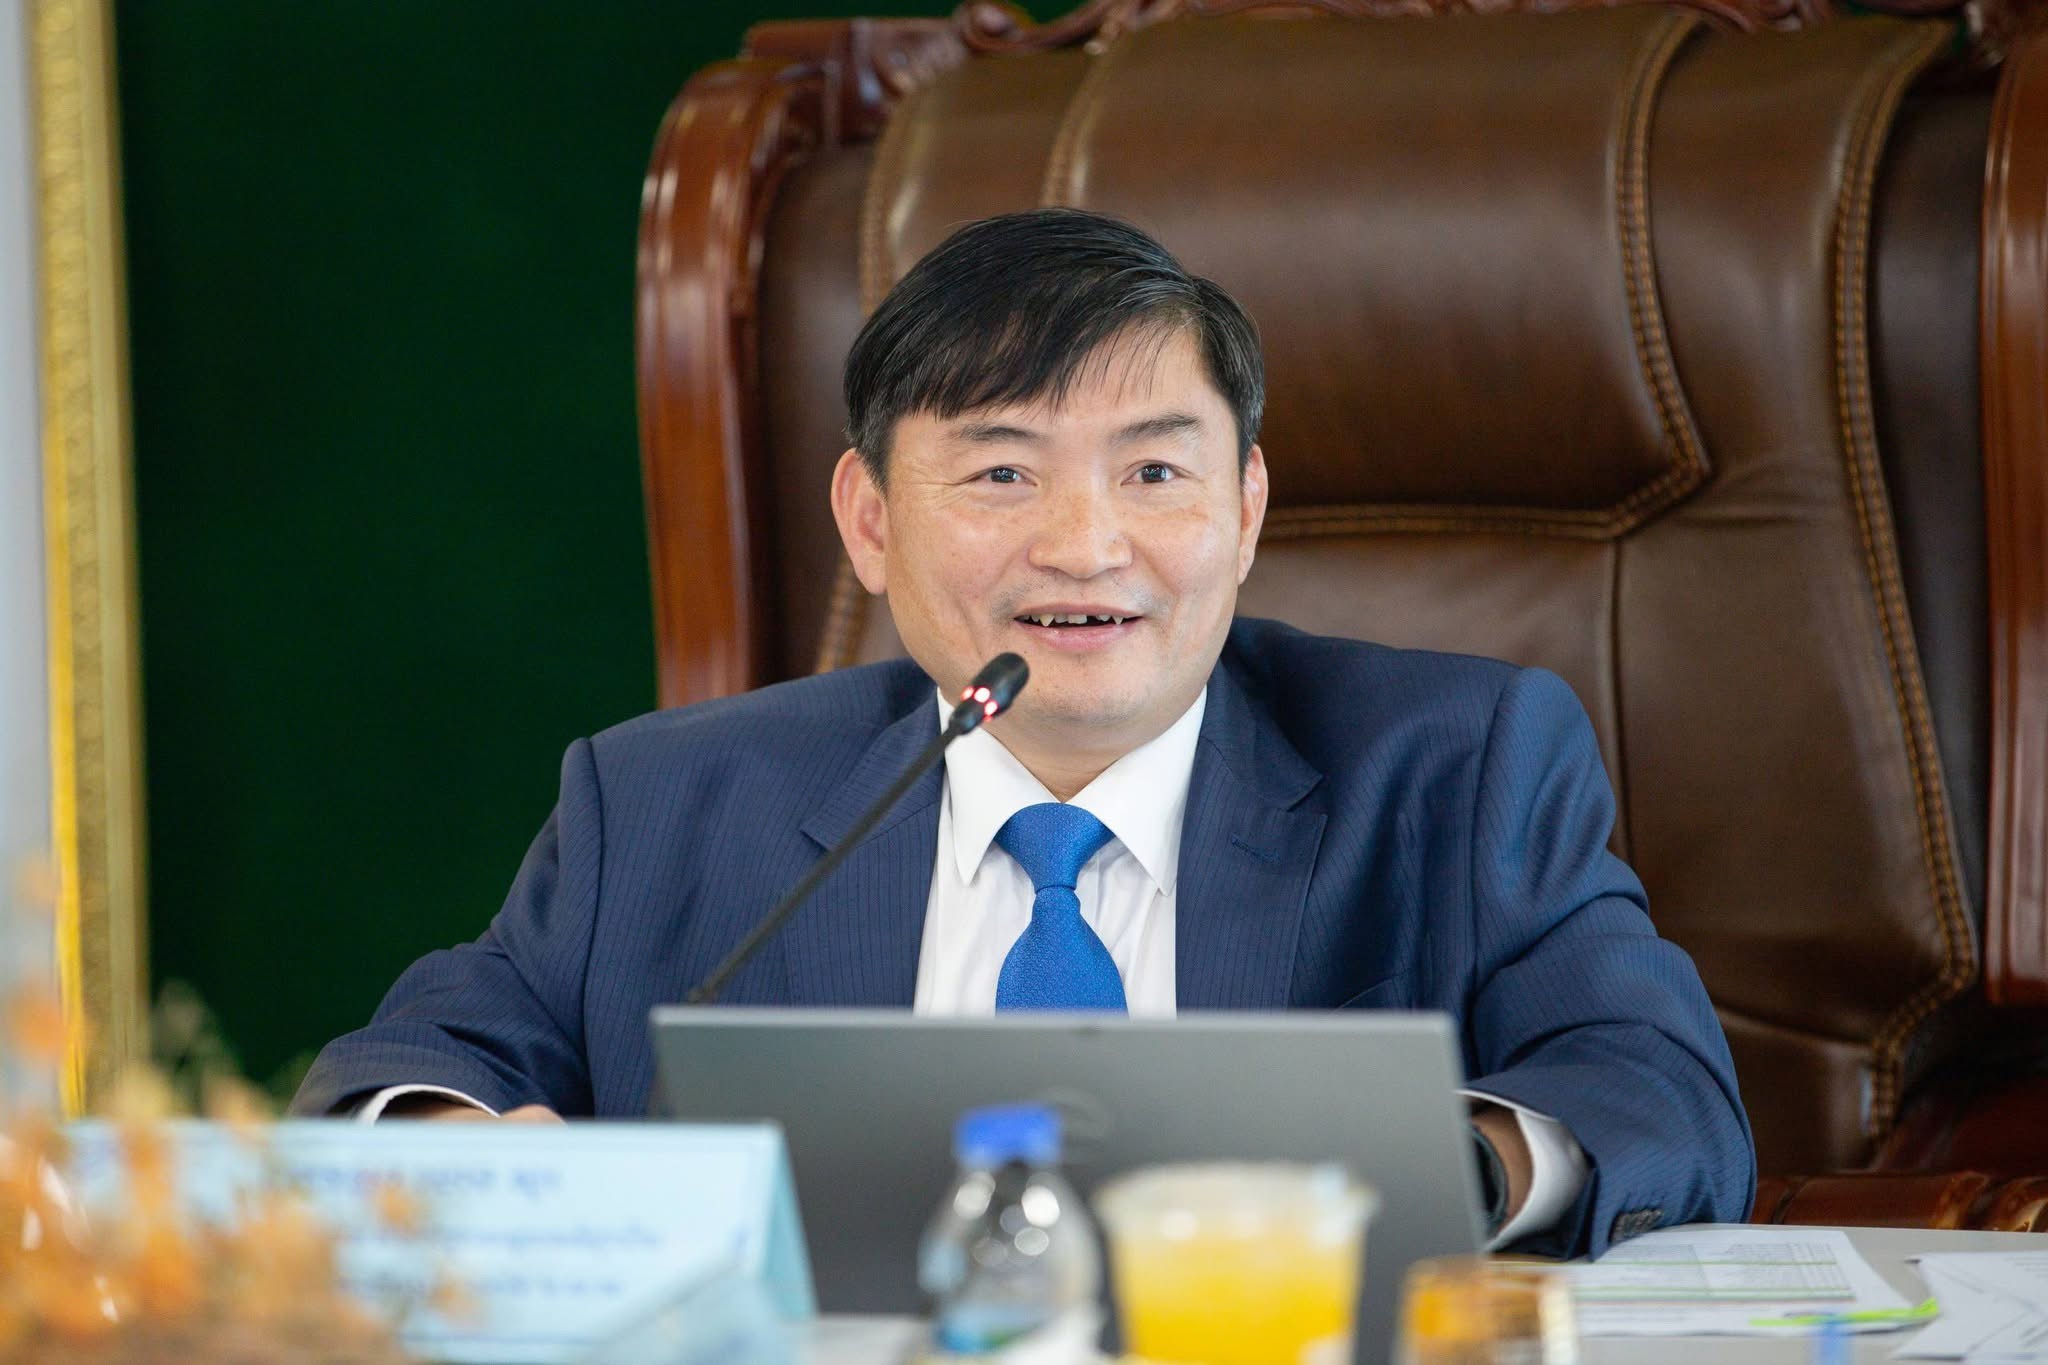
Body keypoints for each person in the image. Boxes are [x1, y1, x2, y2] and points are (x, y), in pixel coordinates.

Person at [292, 208, 1753, 1257]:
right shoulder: (668, 800)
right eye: (1001, 473)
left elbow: (1660, 1091)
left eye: (1155, 472)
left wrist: (1449, 1170)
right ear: (870, 521)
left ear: (1245, 511)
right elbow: (400, 1069)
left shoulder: (1460, 765)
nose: (1086, 545)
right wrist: (466, 1160)